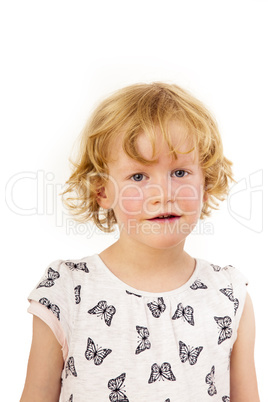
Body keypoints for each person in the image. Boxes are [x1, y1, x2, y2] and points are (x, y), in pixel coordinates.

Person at [20, 82, 259, 401]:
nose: (164, 193)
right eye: (138, 176)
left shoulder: (229, 295)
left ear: (207, 180)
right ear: (102, 191)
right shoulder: (66, 290)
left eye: (180, 172)